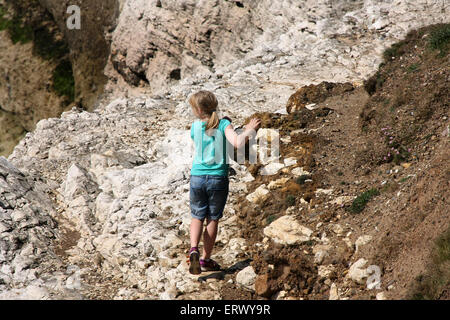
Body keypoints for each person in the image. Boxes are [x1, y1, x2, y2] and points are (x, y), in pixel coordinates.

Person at [188, 90, 261, 274]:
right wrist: (250, 129)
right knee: (212, 218)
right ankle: (205, 259)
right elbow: (237, 142)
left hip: (197, 176)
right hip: (217, 178)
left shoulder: (195, 126)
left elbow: (207, 133)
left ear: (197, 110)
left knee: (197, 216)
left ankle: (193, 249)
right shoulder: (223, 124)